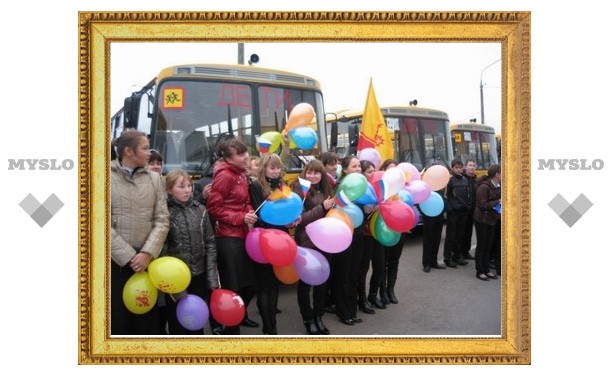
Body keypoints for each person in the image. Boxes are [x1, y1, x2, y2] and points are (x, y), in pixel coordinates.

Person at [110, 129, 169, 335]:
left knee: (146, 322)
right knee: (118, 321)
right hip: (114, 264)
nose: (149, 153)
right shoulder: (102, 176)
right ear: (128, 151)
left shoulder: (154, 179)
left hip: (146, 264)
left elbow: (162, 220)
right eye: (144, 148)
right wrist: (128, 256)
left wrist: (147, 253)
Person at [206, 139, 259, 334]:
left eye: (245, 152)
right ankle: (228, 326)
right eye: (240, 154)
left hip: (243, 233)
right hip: (227, 237)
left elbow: (242, 202)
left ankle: (239, 315)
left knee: (251, 284)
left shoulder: (241, 174)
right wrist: (241, 217)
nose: (246, 156)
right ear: (228, 159)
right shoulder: (225, 176)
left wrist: (249, 211)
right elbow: (213, 208)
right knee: (232, 286)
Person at [162, 169, 219, 335]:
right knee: (178, 323)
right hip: (176, 280)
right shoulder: (165, 213)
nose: (188, 190)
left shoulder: (200, 210)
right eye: (181, 186)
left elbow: (210, 244)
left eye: (189, 185)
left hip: (198, 276)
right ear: (169, 190)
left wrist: (211, 279)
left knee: (196, 322)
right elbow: (163, 251)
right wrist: (175, 286)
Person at [248, 153, 297, 335]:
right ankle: (268, 328)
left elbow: (287, 211)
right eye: (272, 168)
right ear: (263, 169)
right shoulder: (255, 186)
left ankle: (273, 326)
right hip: (263, 239)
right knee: (264, 285)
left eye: (278, 168)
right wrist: (281, 223)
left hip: (281, 238)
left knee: (274, 284)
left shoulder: (283, 186)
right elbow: (258, 218)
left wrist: (293, 220)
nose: (276, 171)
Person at [292, 159, 336, 335]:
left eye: (316, 172)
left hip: (326, 240)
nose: (312, 175)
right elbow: (300, 219)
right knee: (305, 283)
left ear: (321, 174)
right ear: (305, 173)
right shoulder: (299, 189)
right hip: (307, 241)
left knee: (322, 281)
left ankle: (319, 316)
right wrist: (322, 207)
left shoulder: (327, 188)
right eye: (309, 172)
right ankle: (308, 318)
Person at [332, 155, 364, 326]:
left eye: (359, 166)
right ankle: (343, 311)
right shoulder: (340, 187)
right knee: (343, 274)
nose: (358, 169)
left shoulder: (362, 186)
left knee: (354, 273)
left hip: (358, 233)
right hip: (343, 234)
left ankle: (352, 309)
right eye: (354, 166)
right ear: (345, 170)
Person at [357, 159, 385, 314]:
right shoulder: (358, 190)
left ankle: (373, 295)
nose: (373, 174)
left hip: (378, 232)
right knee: (363, 269)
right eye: (369, 171)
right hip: (365, 234)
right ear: (362, 174)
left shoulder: (379, 187)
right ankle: (362, 299)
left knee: (380, 266)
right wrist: (369, 209)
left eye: (374, 170)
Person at [377, 159, 405, 305]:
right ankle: (382, 292)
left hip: (399, 229)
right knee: (382, 263)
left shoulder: (403, 189)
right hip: (382, 230)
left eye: (396, 170)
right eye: (390, 170)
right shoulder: (379, 188)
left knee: (394, 261)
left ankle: (390, 290)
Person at [473, 164, 501, 281]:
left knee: (489, 246)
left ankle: (487, 270)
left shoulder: (499, 185)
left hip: (492, 219)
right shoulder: (484, 187)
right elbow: (483, 205)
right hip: (482, 220)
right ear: (497, 174)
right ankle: (480, 271)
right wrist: (498, 201)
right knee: (482, 246)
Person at [443, 159, 471, 268]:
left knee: (460, 235)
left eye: (460, 167)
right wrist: (450, 209)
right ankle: (447, 258)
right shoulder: (449, 180)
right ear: (452, 168)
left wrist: (467, 206)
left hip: (463, 212)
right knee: (451, 236)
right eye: (456, 167)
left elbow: (467, 195)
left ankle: (457, 256)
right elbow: (446, 196)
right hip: (453, 212)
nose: (458, 169)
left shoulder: (465, 179)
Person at [461, 159, 478, 260]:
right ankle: (458, 253)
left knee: (469, 232)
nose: (472, 167)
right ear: (465, 166)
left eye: (474, 165)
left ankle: (466, 252)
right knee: (461, 233)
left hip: (472, 211)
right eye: (470, 165)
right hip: (463, 210)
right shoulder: (462, 179)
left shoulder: (476, 180)